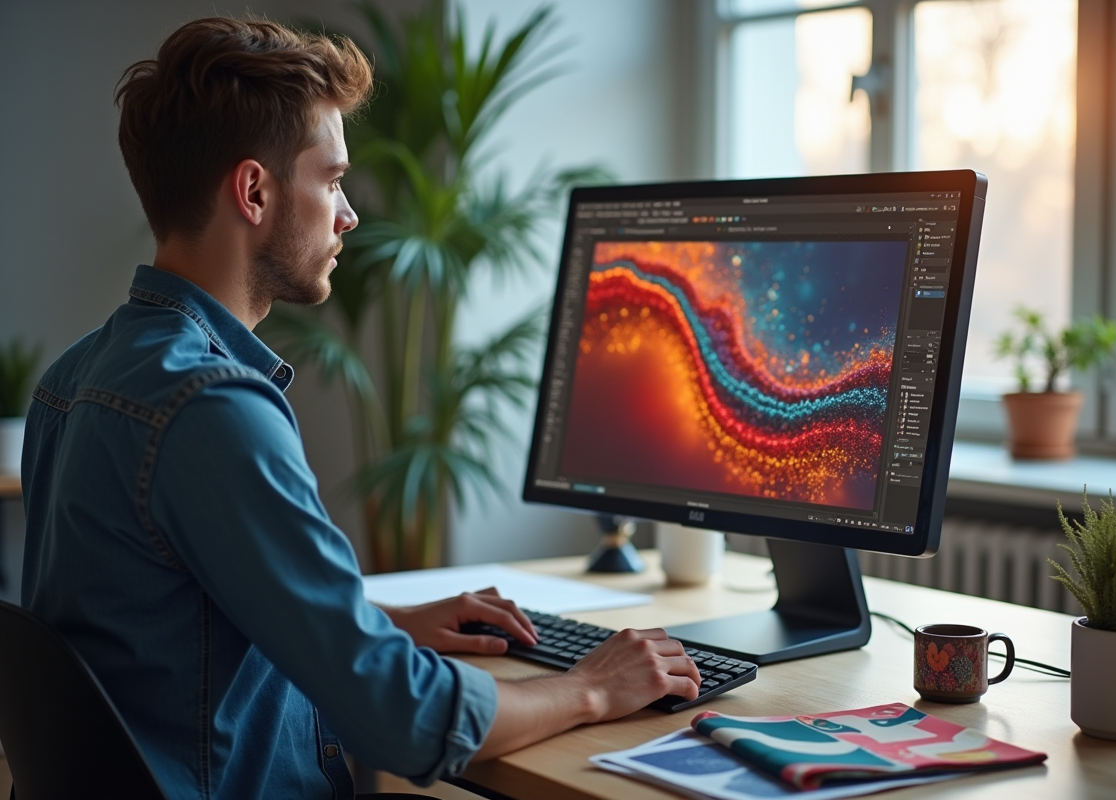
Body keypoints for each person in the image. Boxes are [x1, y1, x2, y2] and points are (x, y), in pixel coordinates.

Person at [20, 16, 700, 800]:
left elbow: (172, 626)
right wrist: (593, 688)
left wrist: (383, 626)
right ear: (254, 191)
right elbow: (401, 719)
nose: (347, 215)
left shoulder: (72, 378)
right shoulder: (209, 408)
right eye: (333, 180)